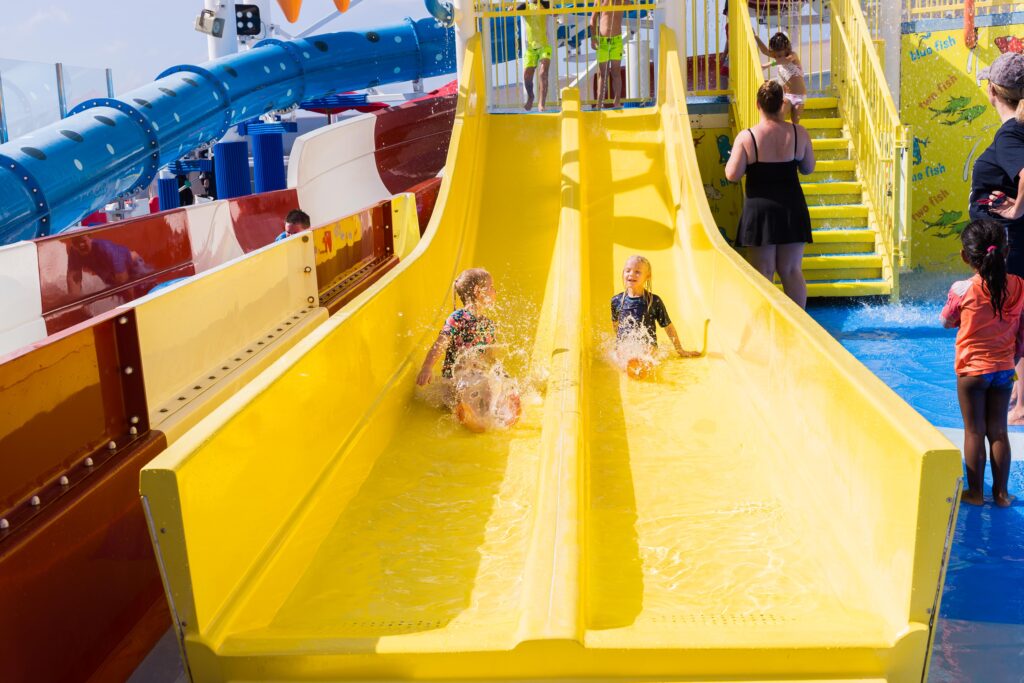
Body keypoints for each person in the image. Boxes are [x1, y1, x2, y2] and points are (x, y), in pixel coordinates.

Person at [940, 220, 1024, 508]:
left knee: (974, 430)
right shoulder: (1019, 286)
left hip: (972, 371)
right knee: (998, 430)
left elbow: (946, 321)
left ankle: (976, 493)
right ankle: (1001, 494)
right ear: (1007, 251)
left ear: (966, 256)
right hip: (1003, 370)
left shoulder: (963, 289)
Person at [967, 52, 1024, 421]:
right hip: (1014, 243)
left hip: (1013, 246)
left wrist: (1017, 208)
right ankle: (1019, 403)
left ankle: (1020, 406)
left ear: (992, 91)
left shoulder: (1010, 134)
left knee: (1013, 321)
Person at [724, 80, 815, 308]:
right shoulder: (799, 133)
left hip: (760, 209)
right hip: (792, 208)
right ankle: (800, 326)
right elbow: (808, 168)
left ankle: (766, 325)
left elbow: (732, 175)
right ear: (782, 104)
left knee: (762, 272)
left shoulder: (747, 137)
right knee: (791, 270)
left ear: (758, 105)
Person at [417, 268, 520, 430]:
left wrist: (503, 377)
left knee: (491, 382)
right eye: (491, 287)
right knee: (475, 383)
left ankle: (496, 414)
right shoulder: (457, 318)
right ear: (479, 291)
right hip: (454, 378)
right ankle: (465, 409)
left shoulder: (488, 324)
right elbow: (441, 342)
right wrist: (427, 367)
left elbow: (490, 357)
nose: (495, 291)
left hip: (474, 377)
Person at [611, 255, 699, 358]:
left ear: (647, 276)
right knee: (622, 350)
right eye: (628, 270)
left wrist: (680, 350)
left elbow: (668, 327)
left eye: (637, 272)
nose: (631, 274)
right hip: (626, 348)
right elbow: (616, 325)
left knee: (647, 350)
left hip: (647, 348)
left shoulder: (653, 301)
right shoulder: (616, 300)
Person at [65, 234, 150, 297]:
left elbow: (123, 281)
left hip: (133, 266)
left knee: (146, 291)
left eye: (83, 241)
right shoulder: (74, 253)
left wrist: (132, 305)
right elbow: (74, 279)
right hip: (111, 273)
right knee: (121, 294)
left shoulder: (104, 248)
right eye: (76, 242)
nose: (80, 245)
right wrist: (76, 305)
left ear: (90, 238)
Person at [756, 32, 807, 124]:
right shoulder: (778, 56)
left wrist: (766, 65)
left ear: (786, 49)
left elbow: (784, 60)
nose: (777, 57)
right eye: (776, 55)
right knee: (779, 117)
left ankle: (794, 136)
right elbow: (764, 51)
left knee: (795, 121)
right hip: (787, 96)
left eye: (779, 55)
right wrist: (756, 37)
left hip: (799, 97)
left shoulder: (792, 55)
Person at [590, 0, 624, 108]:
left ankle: (617, 101)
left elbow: (630, 5)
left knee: (616, 71)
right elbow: (593, 19)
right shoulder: (599, 1)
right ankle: (599, 103)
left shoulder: (621, 1)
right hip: (603, 42)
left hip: (616, 41)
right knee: (602, 74)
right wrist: (594, 38)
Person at [519, 0, 552, 111]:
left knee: (543, 73)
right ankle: (531, 96)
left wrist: (552, 9)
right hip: (530, 48)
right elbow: (513, 10)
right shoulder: (525, 6)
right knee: (527, 76)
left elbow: (556, 12)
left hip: (544, 45)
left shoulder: (545, 4)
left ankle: (541, 103)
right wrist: (511, 9)